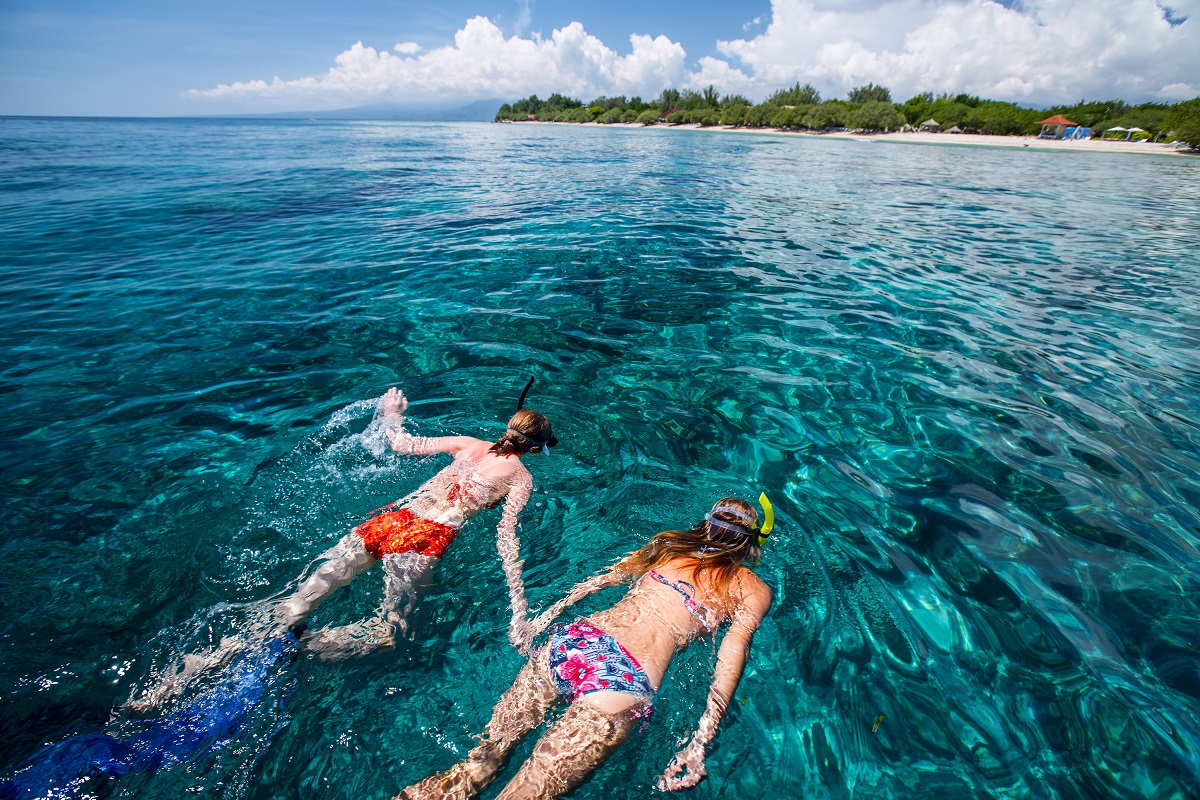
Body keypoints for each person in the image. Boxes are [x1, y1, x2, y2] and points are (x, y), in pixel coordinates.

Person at [396, 495, 775, 800]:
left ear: (705, 524)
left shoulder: (668, 547)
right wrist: (700, 740)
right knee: (528, 789)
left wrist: (542, 620)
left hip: (575, 643)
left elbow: (602, 580)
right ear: (752, 541)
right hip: (622, 679)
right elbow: (731, 654)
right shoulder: (752, 589)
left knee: (479, 762)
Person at [275, 380, 557, 659]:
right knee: (392, 632)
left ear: (509, 424)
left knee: (311, 592)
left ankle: (272, 630)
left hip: (391, 520)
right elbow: (506, 536)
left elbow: (401, 444)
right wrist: (519, 610)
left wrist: (392, 414)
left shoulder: (467, 443)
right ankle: (307, 648)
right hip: (426, 538)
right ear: (535, 450)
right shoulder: (521, 478)